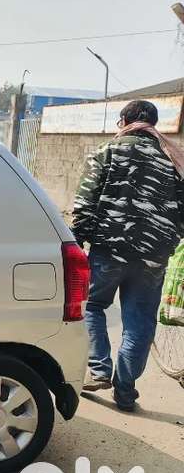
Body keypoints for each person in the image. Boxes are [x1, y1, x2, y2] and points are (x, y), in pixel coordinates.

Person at [71, 99, 184, 411]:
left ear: (123, 121)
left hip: (109, 249)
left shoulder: (107, 152)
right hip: (154, 257)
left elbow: (85, 203)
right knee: (140, 319)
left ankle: (100, 370)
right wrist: (170, 242)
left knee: (92, 305)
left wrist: (77, 241)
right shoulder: (172, 159)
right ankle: (125, 388)